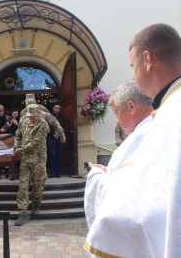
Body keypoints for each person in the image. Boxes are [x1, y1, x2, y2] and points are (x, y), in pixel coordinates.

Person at [84, 24, 181, 258]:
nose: (132, 75)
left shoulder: (172, 114)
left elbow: (143, 207)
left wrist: (98, 178)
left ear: (147, 59)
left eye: (132, 66)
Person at [84, 82, 153, 231]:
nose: (116, 120)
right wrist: (109, 171)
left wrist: (96, 175)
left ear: (131, 107)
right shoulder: (157, 128)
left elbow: (118, 196)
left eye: (116, 113)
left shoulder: (137, 140)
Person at [13, 104, 49, 226]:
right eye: (29, 116)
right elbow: (17, 134)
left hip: (39, 161)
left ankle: (35, 206)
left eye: (33, 116)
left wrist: (21, 150)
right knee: (23, 187)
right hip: (25, 161)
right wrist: (16, 146)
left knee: (38, 187)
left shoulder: (43, 125)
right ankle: (22, 212)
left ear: (38, 113)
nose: (31, 118)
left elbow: (35, 143)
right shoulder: (24, 122)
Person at [47, 104, 68, 178]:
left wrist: (59, 134)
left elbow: (66, 128)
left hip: (60, 140)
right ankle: (52, 172)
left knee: (59, 156)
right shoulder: (49, 118)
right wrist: (53, 135)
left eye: (59, 108)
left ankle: (58, 172)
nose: (57, 109)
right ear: (53, 109)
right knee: (52, 155)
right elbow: (46, 128)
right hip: (51, 139)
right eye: (56, 108)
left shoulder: (63, 118)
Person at [7, 108, 20, 180]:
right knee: (12, 158)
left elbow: (23, 129)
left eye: (16, 114)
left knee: (19, 158)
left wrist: (17, 123)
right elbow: (5, 128)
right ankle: (13, 174)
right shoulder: (9, 119)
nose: (14, 115)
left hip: (19, 140)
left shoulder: (21, 120)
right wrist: (11, 124)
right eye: (13, 114)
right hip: (11, 140)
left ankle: (19, 173)